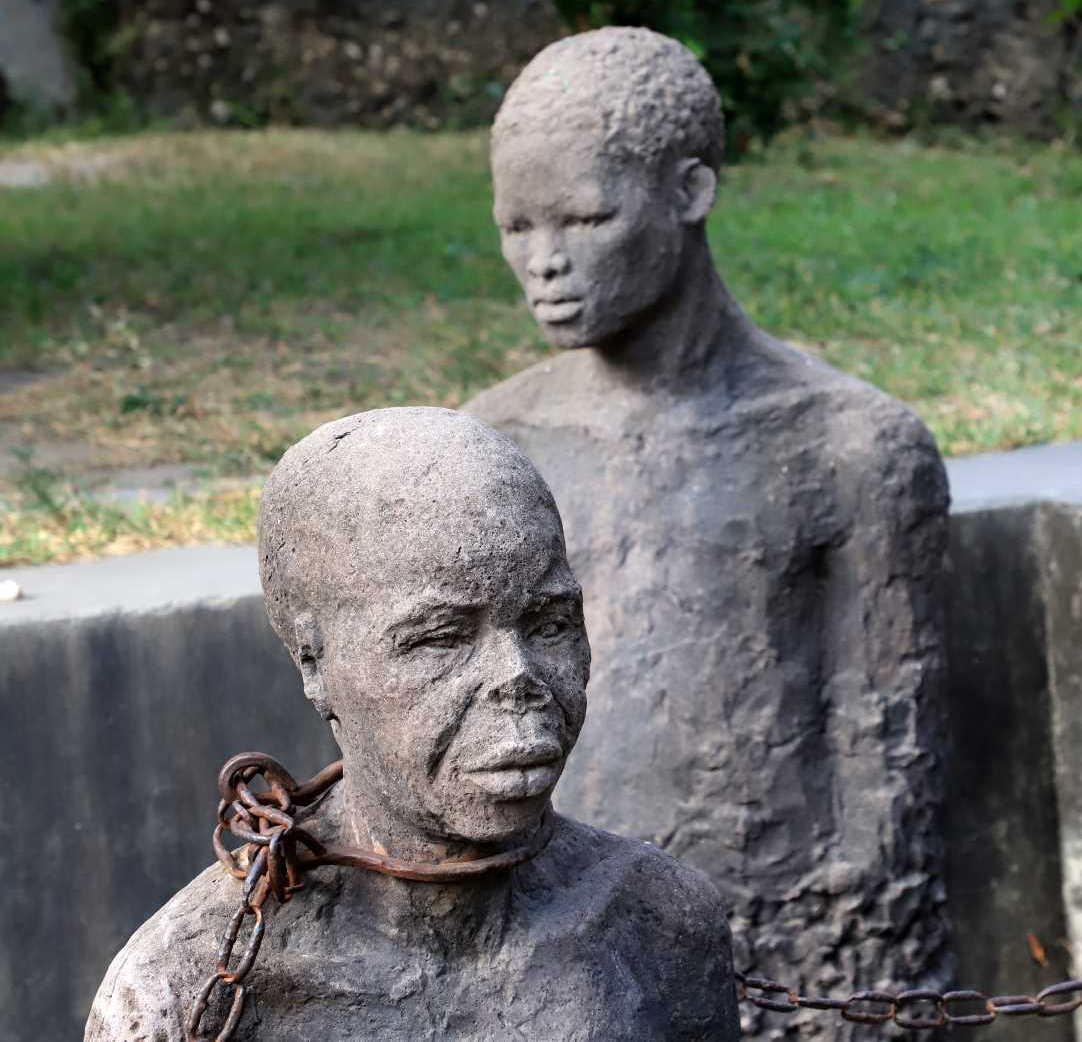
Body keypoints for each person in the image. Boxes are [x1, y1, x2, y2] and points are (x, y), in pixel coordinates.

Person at [463, 28, 951, 1030]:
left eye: (586, 218)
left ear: (690, 191)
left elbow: (885, 782)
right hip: (548, 948)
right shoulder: (492, 445)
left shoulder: (851, 447)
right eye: (516, 226)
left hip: (785, 959)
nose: (544, 263)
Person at [84, 407, 739, 1042]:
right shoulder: (190, 988)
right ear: (315, 663)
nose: (518, 678)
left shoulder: (663, 924)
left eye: (550, 623)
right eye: (441, 637)